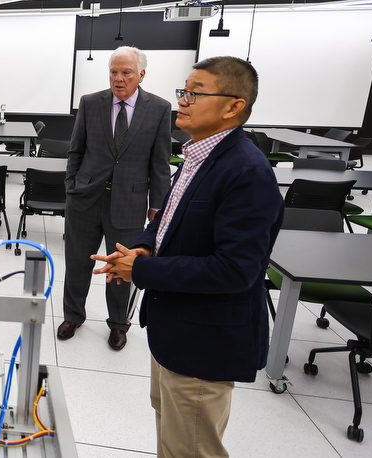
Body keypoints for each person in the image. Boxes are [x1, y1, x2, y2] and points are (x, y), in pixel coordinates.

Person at [92, 56, 284, 457]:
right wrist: (145, 245)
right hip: (174, 334)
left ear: (234, 106)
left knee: (192, 447)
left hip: (203, 343)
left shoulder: (247, 172)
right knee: (172, 440)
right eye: (184, 91)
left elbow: (235, 270)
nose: (183, 100)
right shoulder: (199, 156)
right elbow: (169, 220)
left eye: (195, 93)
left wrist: (141, 267)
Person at [58, 46, 172, 351]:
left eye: (126, 72)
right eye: (113, 72)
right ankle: (73, 315)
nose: (118, 79)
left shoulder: (159, 109)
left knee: (122, 267)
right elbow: (76, 151)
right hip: (84, 200)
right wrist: (72, 186)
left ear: (141, 75)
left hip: (129, 203)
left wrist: (156, 208)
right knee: (77, 263)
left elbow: (160, 164)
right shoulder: (91, 103)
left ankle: (119, 323)